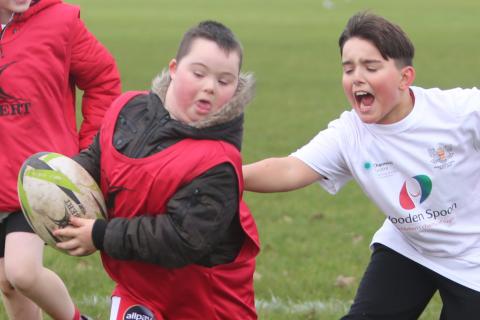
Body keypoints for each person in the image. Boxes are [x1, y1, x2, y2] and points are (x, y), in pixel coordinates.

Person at [242, 11, 480, 320]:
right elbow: (289, 169)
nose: (357, 77)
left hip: (472, 258)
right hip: (410, 247)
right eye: (348, 68)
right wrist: (221, 173)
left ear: (405, 77)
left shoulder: (458, 112)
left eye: (371, 67)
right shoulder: (349, 134)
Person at [54, 20, 260, 320]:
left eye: (224, 81)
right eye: (199, 73)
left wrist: (101, 234)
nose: (209, 87)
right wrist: (59, 183)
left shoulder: (219, 163)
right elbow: (99, 160)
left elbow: (180, 238)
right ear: (175, 68)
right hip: (139, 292)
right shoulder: (128, 109)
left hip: (207, 305)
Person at [0, 0, 121, 319]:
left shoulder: (60, 22)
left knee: (22, 272)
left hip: (41, 179)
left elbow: (103, 79)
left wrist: (88, 151)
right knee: (9, 284)